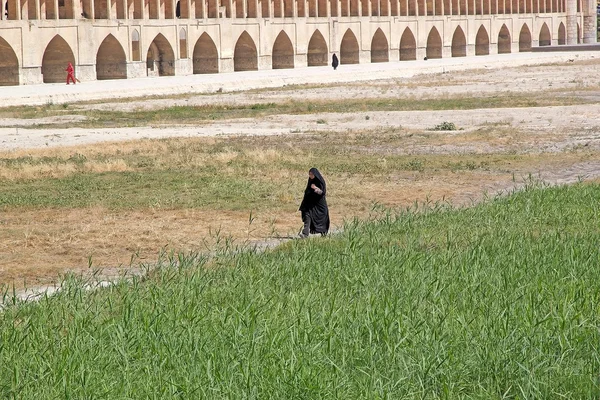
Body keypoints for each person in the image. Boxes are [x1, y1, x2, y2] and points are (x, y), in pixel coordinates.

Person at [298, 168, 330, 238]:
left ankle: (324, 233)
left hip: (319, 204)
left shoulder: (320, 181)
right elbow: (307, 191)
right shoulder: (310, 181)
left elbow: (322, 193)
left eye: (311, 174)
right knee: (307, 215)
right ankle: (305, 233)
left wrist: (315, 188)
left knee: (322, 219)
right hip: (310, 203)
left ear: (315, 174)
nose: (310, 176)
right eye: (309, 174)